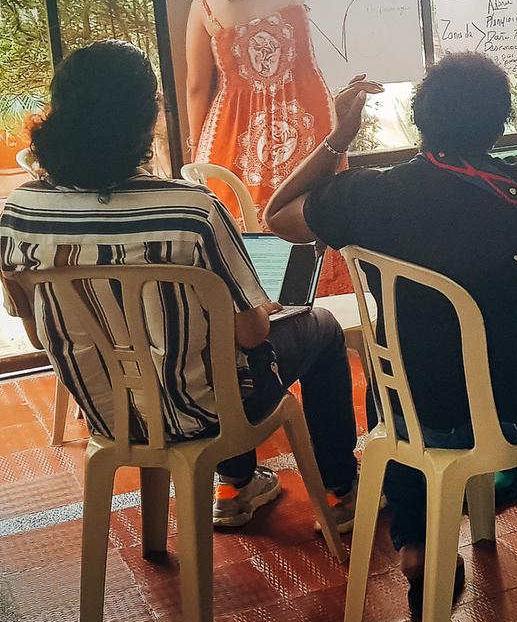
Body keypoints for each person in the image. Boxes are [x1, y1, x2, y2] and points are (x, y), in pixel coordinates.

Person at [0, 41, 360, 530]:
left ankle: (238, 488)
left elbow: (41, 336)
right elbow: (253, 334)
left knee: (202, 348)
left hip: (109, 415)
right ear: (147, 118)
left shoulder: (22, 210)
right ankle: (344, 490)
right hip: (206, 414)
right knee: (318, 327)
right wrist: (262, 308)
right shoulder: (189, 211)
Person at [266, 52, 517, 618]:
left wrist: (337, 137)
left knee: (407, 383)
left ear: (420, 117)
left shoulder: (372, 195)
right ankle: (483, 501)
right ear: (500, 123)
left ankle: (420, 542)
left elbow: (278, 214)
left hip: (415, 415)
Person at [185, 0, 345, 216]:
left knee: (239, 212)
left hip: (236, 123)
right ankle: (320, 265)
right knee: (315, 206)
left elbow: (196, 86)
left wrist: (196, 147)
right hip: (308, 111)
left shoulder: (204, 5)